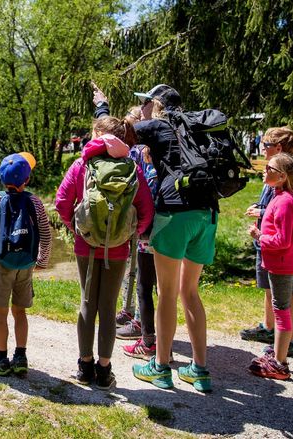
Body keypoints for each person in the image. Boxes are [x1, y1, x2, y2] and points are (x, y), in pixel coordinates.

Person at [94, 83, 215, 393]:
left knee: (167, 293)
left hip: (174, 213)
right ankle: (199, 370)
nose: (143, 108)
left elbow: (113, 133)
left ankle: (160, 367)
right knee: (190, 292)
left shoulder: (158, 125)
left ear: (155, 104)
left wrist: (102, 106)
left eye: (146, 102)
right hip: (207, 213)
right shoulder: (196, 126)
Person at [55, 116, 154, 390]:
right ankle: (104, 370)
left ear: (98, 135)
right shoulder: (132, 169)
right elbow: (146, 210)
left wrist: (78, 229)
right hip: (118, 249)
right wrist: (129, 234)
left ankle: (85, 367)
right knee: (108, 307)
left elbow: (62, 202)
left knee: (88, 303)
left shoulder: (82, 165)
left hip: (85, 246)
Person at [0, 152, 52, 377]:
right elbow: (46, 235)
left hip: (2, 264)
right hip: (26, 264)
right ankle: (20, 357)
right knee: (20, 311)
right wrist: (42, 261)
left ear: (1, 177)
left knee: (0, 312)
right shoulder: (35, 201)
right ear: (27, 179)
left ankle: (0, 358)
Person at [240, 127, 293, 356]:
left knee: (288, 293)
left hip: (281, 249)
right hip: (269, 245)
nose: (262, 150)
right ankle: (269, 329)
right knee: (270, 288)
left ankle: (289, 340)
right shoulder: (274, 175)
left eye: (265, 145)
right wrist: (260, 210)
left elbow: (290, 211)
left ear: (278, 148)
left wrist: (262, 216)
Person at [247, 152, 293, 379]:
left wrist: (259, 236)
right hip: (279, 263)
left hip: (282, 264)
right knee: (280, 309)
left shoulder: (285, 202)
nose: (265, 170)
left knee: (281, 311)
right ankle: (279, 354)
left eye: (269, 168)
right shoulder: (281, 197)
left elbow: (282, 241)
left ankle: (280, 363)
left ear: (282, 176)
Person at [116, 106, 162, 360]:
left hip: (148, 230)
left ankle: (148, 338)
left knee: (145, 284)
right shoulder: (163, 154)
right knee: (159, 287)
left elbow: (144, 193)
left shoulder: (140, 156)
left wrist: (140, 225)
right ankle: (156, 337)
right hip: (166, 226)